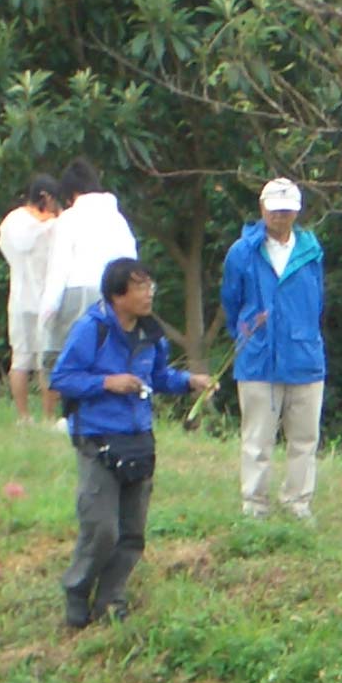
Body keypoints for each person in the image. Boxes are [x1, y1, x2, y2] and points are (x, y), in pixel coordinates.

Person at [49, 258, 213, 628]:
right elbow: (61, 378)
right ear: (117, 295)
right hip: (97, 438)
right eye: (139, 287)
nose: (148, 294)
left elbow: (158, 377)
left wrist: (190, 382)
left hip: (139, 439)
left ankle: (112, 598)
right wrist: (107, 383)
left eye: (149, 286)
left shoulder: (151, 334)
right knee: (102, 528)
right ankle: (77, 591)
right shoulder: (92, 330)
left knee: (132, 532)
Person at [220, 177, 326, 520]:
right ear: (262, 208)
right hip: (258, 357)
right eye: (275, 209)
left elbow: (317, 300)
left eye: (287, 210)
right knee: (257, 438)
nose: (280, 217)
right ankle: (254, 505)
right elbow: (231, 301)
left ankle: (298, 503)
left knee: (305, 438)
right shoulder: (242, 252)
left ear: (297, 211)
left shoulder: (310, 250)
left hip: (304, 356)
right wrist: (248, 332)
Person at [40, 158, 138, 363]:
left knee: (66, 361)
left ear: (71, 193)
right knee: (108, 359)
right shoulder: (118, 218)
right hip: (117, 295)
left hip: (78, 294)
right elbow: (131, 261)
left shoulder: (69, 218)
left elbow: (59, 269)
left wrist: (47, 313)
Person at [0, 174, 61, 424]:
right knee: (47, 361)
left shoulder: (11, 222)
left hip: (19, 300)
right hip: (46, 303)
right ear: (46, 197)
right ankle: (48, 418)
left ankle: (23, 417)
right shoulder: (54, 227)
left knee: (20, 359)